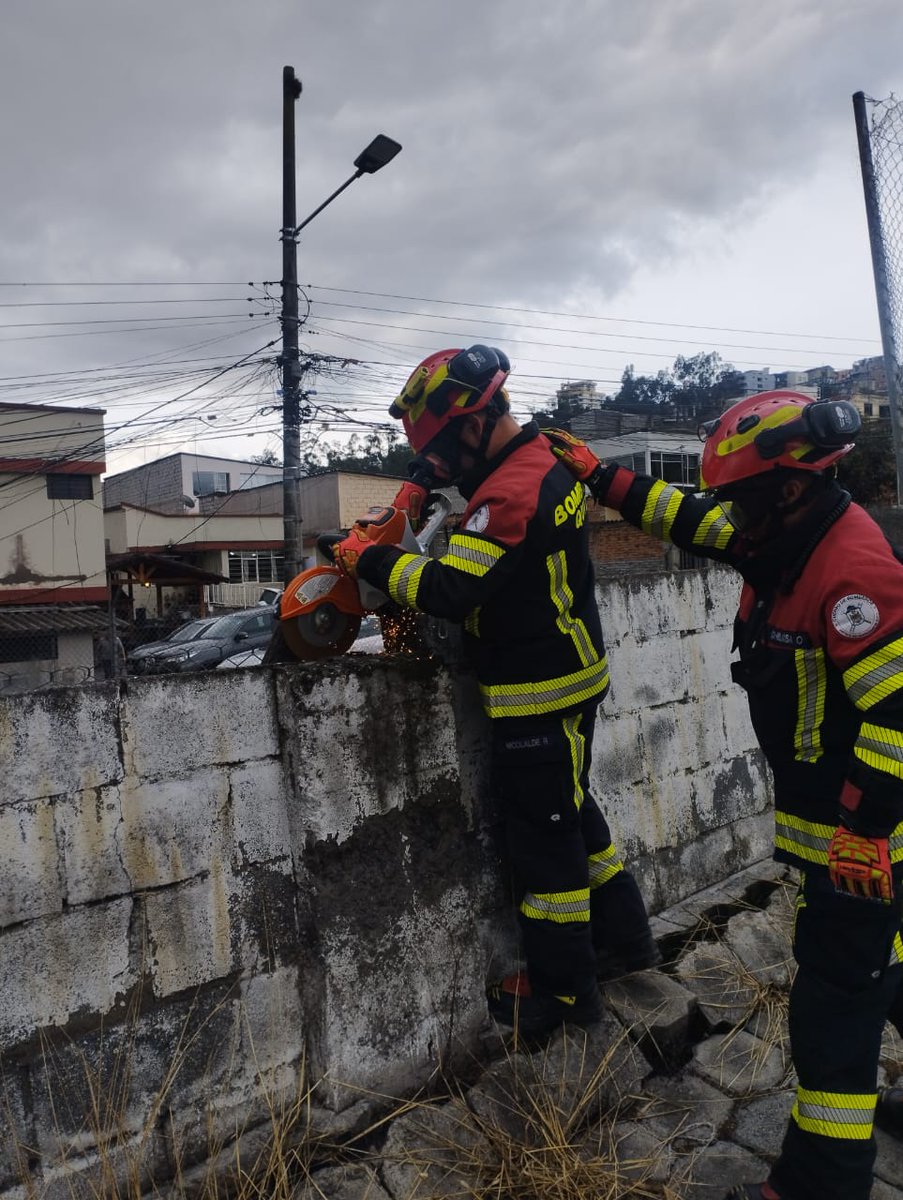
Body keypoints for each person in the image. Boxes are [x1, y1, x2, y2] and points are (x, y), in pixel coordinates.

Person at [544, 392, 903, 1200]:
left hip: (869, 844)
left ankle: (822, 1180)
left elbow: (898, 713)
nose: (725, 517)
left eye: (738, 499)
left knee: (832, 1012)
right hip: (850, 838)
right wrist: (601, 477)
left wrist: (861, 829)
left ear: (788, 488)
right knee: (888, 968)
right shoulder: (779, 539)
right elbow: (689, 521)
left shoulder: (850, 568)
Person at [330, 344, 660, 1037]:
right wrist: (416, 486)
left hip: (537, 694)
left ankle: (566, 996)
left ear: (476, 426)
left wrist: (371, 558)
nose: (443, 467)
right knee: (575, 821)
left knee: (547, 851)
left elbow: (449, 590)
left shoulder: (508, 495)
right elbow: (436, 471)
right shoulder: (543, 453)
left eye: (448, 451)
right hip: (569, 672)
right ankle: (627, 945)